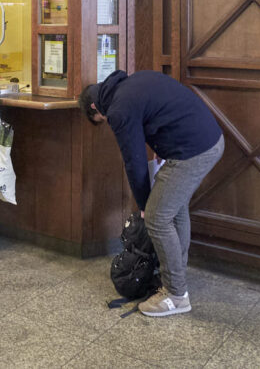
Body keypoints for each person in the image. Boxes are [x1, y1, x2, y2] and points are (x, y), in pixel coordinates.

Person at [80, 70, 224, 317]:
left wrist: (145, 203)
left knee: (157, 218)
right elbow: (162, 111)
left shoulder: (117, 109)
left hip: (193, 151)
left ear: (95, 108)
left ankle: (176, 294)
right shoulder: (133, 82)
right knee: (174, 209)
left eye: (100, 120)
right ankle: (175, 275)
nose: (106, 122)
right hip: (208, 140)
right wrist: (163, 144)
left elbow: (134, 162)